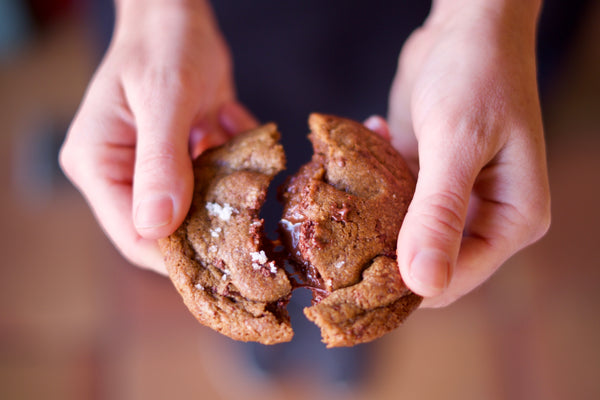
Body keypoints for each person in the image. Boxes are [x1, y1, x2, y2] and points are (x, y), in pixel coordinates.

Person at [59, 0, 551, 309]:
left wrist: (487, 16)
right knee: (205, 192)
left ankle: (341, 313)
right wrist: (158, 14)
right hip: (223, 29)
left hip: (421, 32)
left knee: (428, 171)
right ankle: (260, 308)